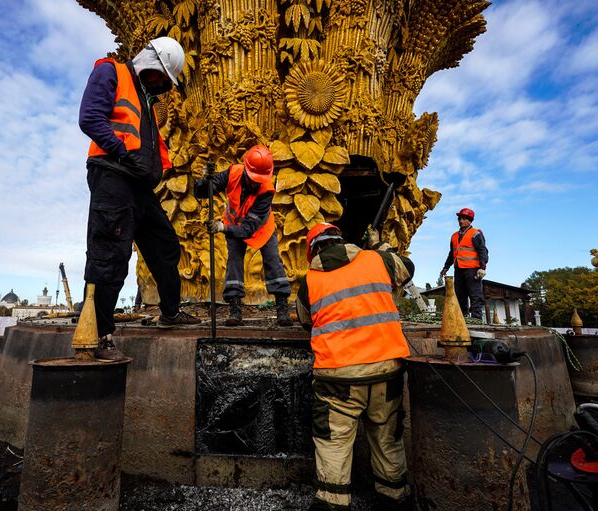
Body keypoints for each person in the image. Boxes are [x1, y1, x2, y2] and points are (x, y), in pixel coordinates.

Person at [79, 37, 200, 361]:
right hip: (113, 177)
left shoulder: (146, 101)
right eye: (162, 76)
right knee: (110, 254)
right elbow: (90, 118)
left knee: (165, 244)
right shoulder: (111, 72)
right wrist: (122, 154)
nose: (162, 83)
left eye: (165, 81)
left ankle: (170, 312)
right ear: (151, 62)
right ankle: (97, 335)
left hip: (139, 187)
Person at [296, 223, 414, 511]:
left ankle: (333, 502)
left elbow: (304, 320)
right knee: (387, 437)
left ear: (313, 250)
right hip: (386, 370)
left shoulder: (310, 281)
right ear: (340, 239)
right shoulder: (378, 260)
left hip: (339, 377)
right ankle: (394, 498)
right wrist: (380, 246)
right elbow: (407, 268)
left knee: (334, 442)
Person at [194, 145, 293, 327]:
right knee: (234, 263)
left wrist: (222, 227)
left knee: (273, 262)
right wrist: (205, 180)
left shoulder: (267, 191)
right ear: (246, 169)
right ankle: (235, 309)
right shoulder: (233, 172)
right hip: (233, 223)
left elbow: (248, 229)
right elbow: (202, 192)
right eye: (253, 179)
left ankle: (282, 309)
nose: (255, 183)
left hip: (261, 229)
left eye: (259, 180)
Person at [440, 208, 488, 319]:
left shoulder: (476, 234)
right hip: (459, 270)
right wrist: (446, 267)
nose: (461, 221)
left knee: (475, 295)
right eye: (460, 218)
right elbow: (452, 253)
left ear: (470, 220)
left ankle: (476, 320)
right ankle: (462, 319)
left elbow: (483, 251)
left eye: (464, 218)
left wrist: (482, 267)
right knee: (460, 295)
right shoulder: (454, 236)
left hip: (473, 270)